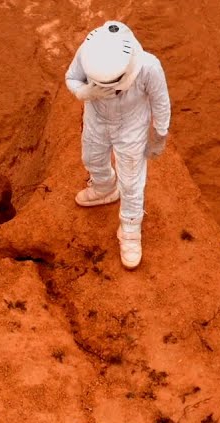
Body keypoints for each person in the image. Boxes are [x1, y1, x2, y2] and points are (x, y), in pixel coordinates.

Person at [64, 20, 171, 269]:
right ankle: (104, 187)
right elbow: (71, 77)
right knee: (91, 158)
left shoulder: (148, 66)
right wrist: (84, 93)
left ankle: (131, 229)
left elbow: (161, 101)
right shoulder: (88, 52)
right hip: (96, 118)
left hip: (131, 127)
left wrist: (159, 134)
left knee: (132, 181)